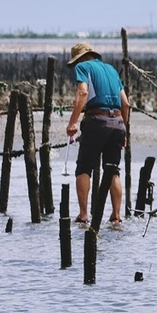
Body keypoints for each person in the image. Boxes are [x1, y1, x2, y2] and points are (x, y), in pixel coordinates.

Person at [64, 41, 130, 226]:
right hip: (118, 122)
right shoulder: (111, 69)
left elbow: (83, 93)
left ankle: (84, 214)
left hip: (96, 121)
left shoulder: (83, 67)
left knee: (84, 167)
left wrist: (72, 122)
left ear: (81, 58)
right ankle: (116, 216)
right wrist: (124, 130)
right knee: (113, 169)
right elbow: (125, 104)